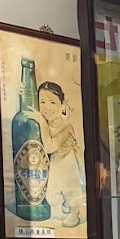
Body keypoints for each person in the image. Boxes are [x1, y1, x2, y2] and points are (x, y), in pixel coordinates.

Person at [26, 81, 85, 229]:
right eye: (42, 102)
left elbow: (50, 146)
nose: (47, 107)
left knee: (70, 188)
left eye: (52, 102)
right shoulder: (47, 123)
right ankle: (65, 204)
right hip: (55, 161)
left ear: (62, 105)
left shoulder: (65, 125)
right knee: (52, 194)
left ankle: (74, 211)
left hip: (68, 161)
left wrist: (41, 122)